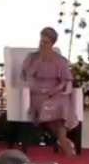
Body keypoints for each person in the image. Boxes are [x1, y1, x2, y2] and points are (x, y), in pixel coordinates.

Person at [21, 26, 79, 154]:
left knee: (62, 103)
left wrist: (59, 90)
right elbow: (26, 76)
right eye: (41, 41)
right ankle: (64, 141)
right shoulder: (32, 58)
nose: (42, 44)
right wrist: (39, 61)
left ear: (52, 43)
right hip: (37, 92)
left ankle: (62, 140)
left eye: (45, 42)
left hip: (56, 91)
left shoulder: (59, 60)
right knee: (48, 105)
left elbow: (66, 79)